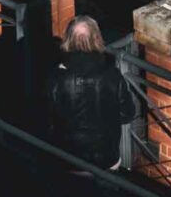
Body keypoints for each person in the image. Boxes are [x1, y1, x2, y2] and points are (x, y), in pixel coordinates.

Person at [46, 16, 131, 172]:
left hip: (69, 156)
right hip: (107, 157)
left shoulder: (56, 77)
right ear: (96, 38)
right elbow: (127, 114)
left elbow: (47, 117)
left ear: (69, 40)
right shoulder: (112, 74)